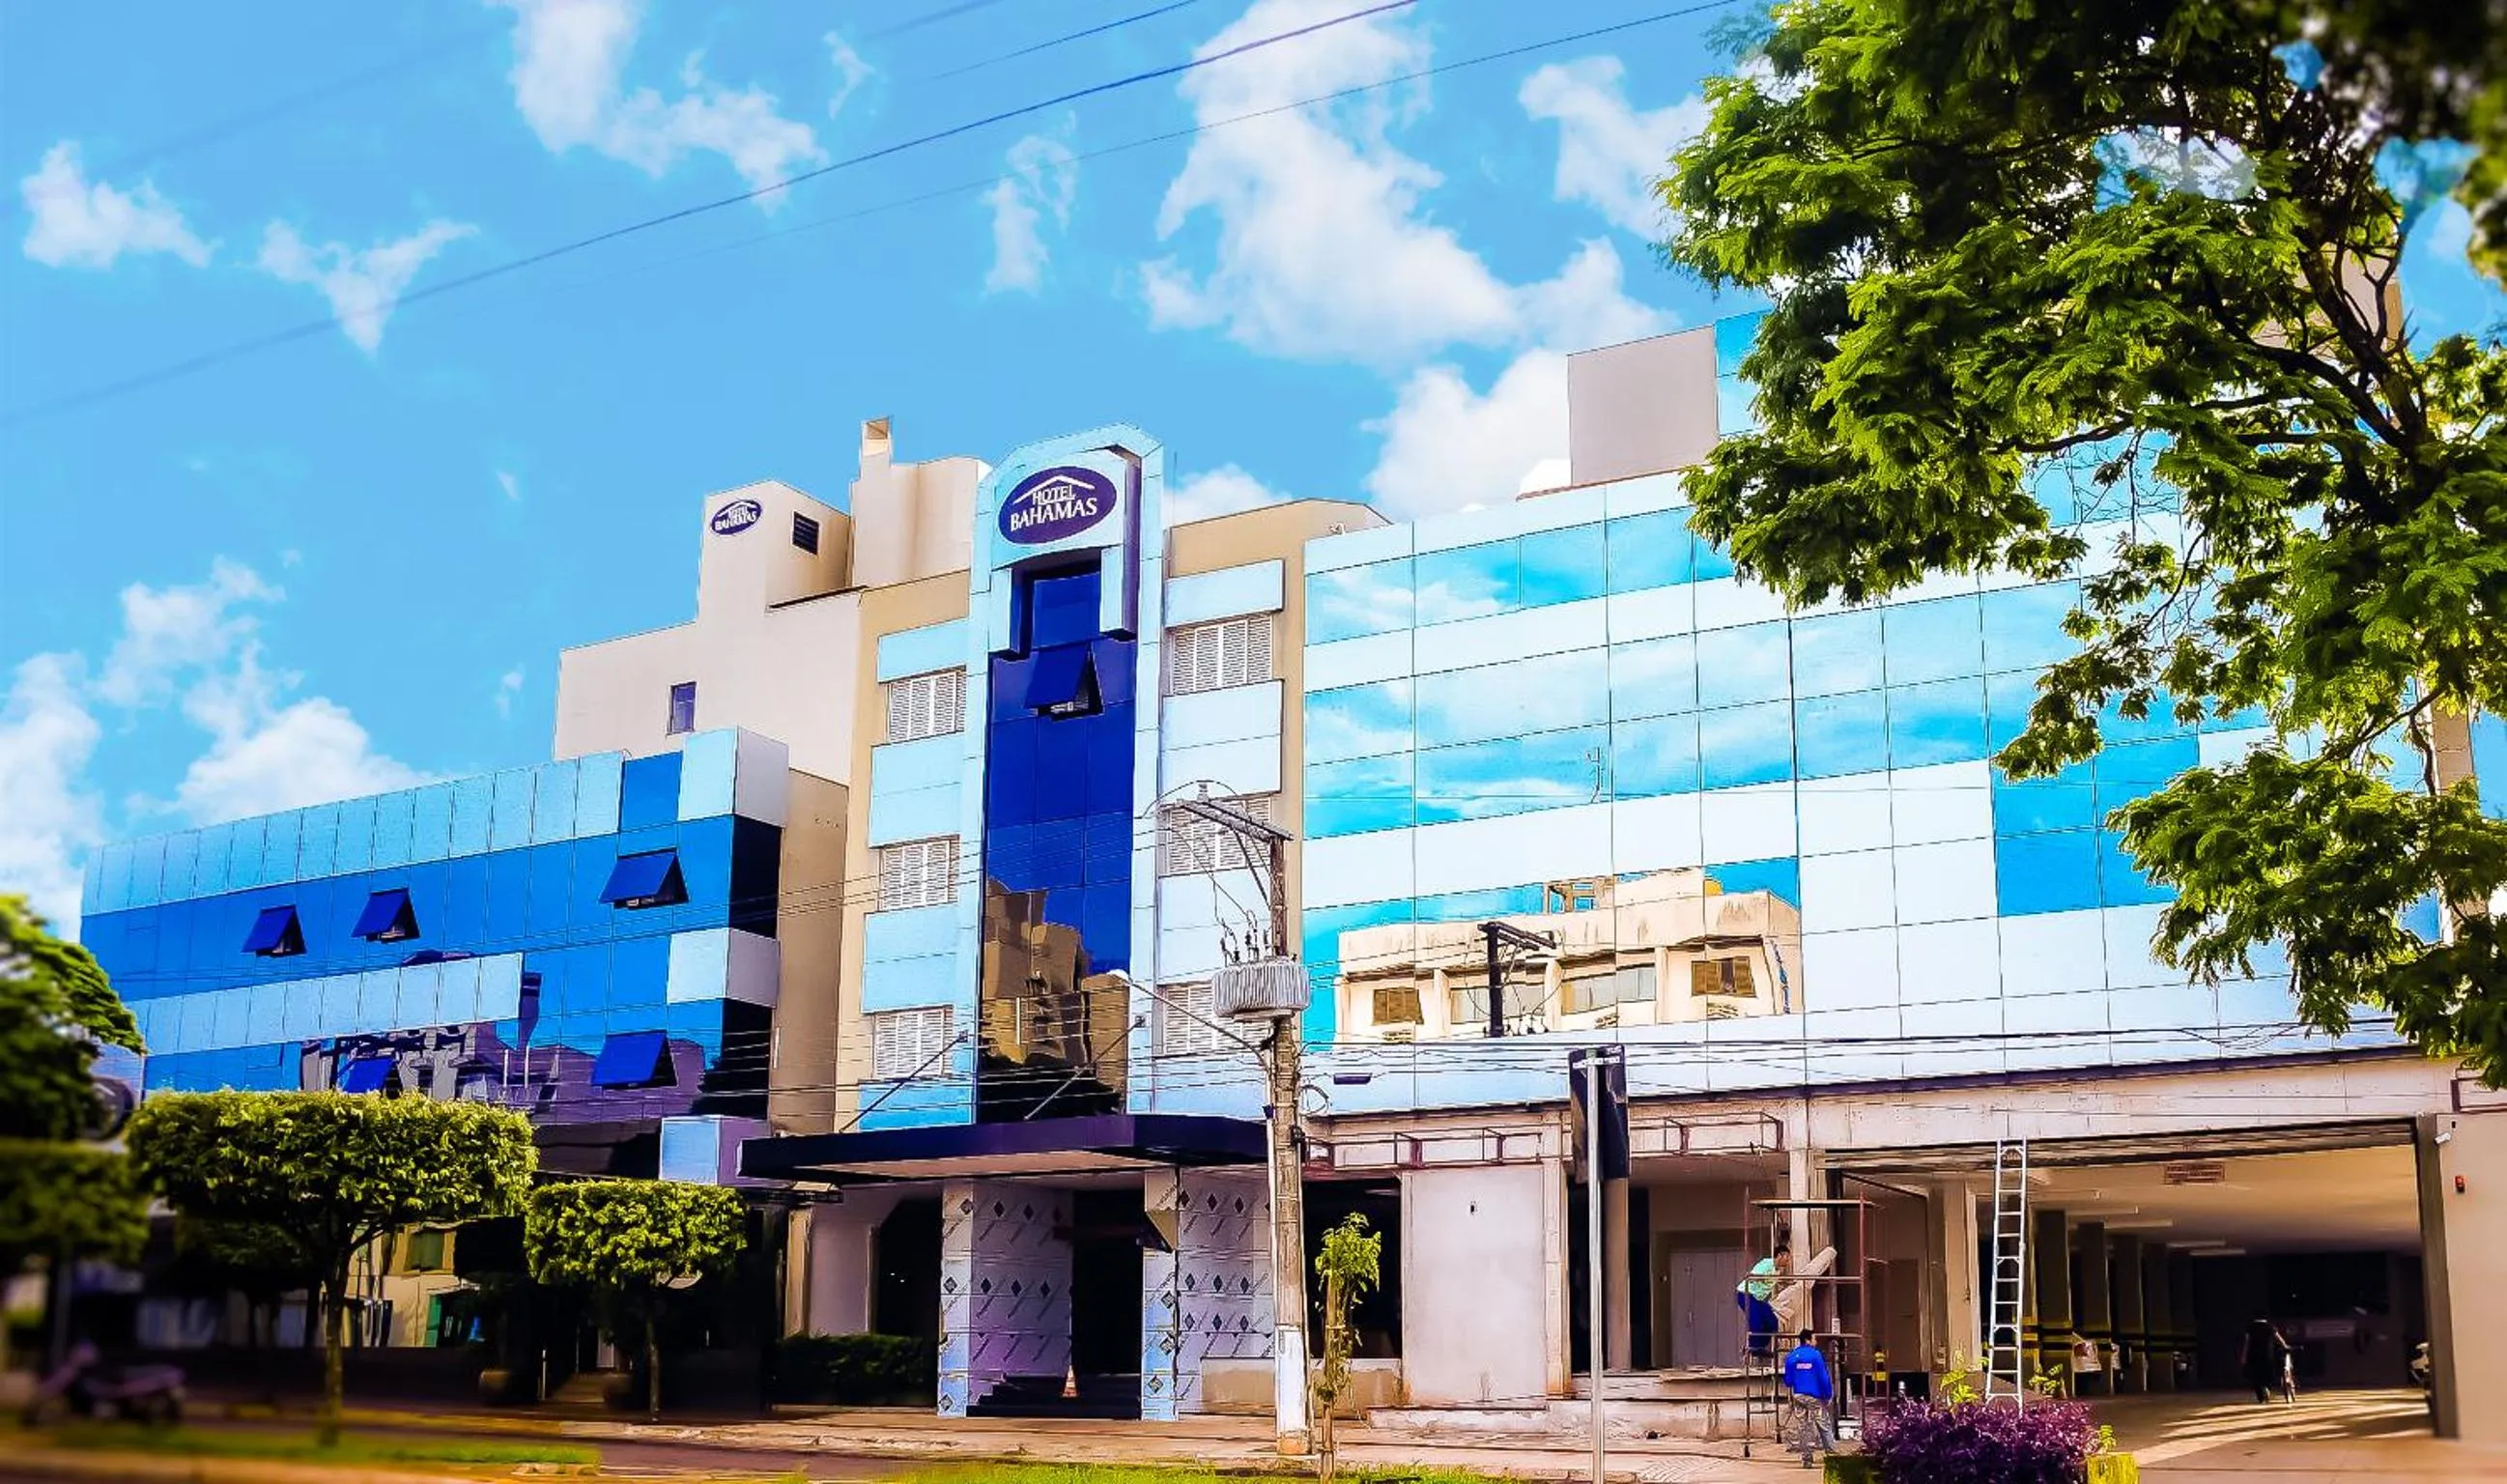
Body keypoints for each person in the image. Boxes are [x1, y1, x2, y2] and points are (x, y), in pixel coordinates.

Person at [1781, 1329, 1836, 1470]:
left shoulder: (1792, 1356)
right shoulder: (1815, 1355)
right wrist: (1827, 1394)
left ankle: (1806, 1459)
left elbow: (1788, 1380)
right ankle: (1832, 1455)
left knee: (1802, 1426)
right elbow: (1823, 1377)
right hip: (1814, 1396)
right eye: (1814, 1339)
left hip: (1798, 1395)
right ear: (1808, 1340)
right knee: (1823, 1423)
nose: (1816, 1341)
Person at [2239, 1314, 2292, 1404]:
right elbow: (2279, 1339)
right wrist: (2285, 1346)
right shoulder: (2270, 1327)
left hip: (2253, 1355)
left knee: (2255, 1376)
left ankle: (2261, 1397)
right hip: (2267, 1355)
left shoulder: (2250, 1328)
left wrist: (2244, 1356)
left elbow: (2247, 1343)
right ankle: (2267, 1387)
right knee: (2268, 1374)